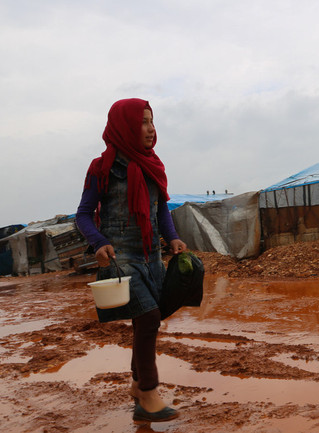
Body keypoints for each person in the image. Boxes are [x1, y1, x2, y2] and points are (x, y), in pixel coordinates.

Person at [76, 98, 187, 423]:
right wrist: (98, 242)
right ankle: (149, 394)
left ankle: (138, 387)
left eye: (152, 121)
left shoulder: (152, 164)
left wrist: (173, 238)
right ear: (124, 125)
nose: (151, 129)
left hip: (151, 258)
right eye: (143, 122)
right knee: (149, 318)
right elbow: (82, 215)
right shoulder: (102, 168)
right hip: (121, 260)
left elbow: (161, 208)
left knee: (147, 321)